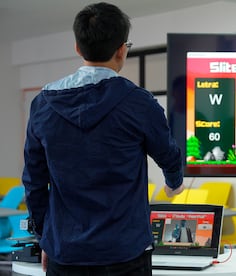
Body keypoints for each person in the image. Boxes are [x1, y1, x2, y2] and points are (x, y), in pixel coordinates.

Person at [21, 2, 184, 275]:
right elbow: (168, 153)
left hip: (66, 253)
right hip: (126, 253)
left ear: (77, 48)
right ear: (122, 50)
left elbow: (34, 182)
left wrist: (43, 239)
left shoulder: (43, 105)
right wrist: (174, 183)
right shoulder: (138, 103)